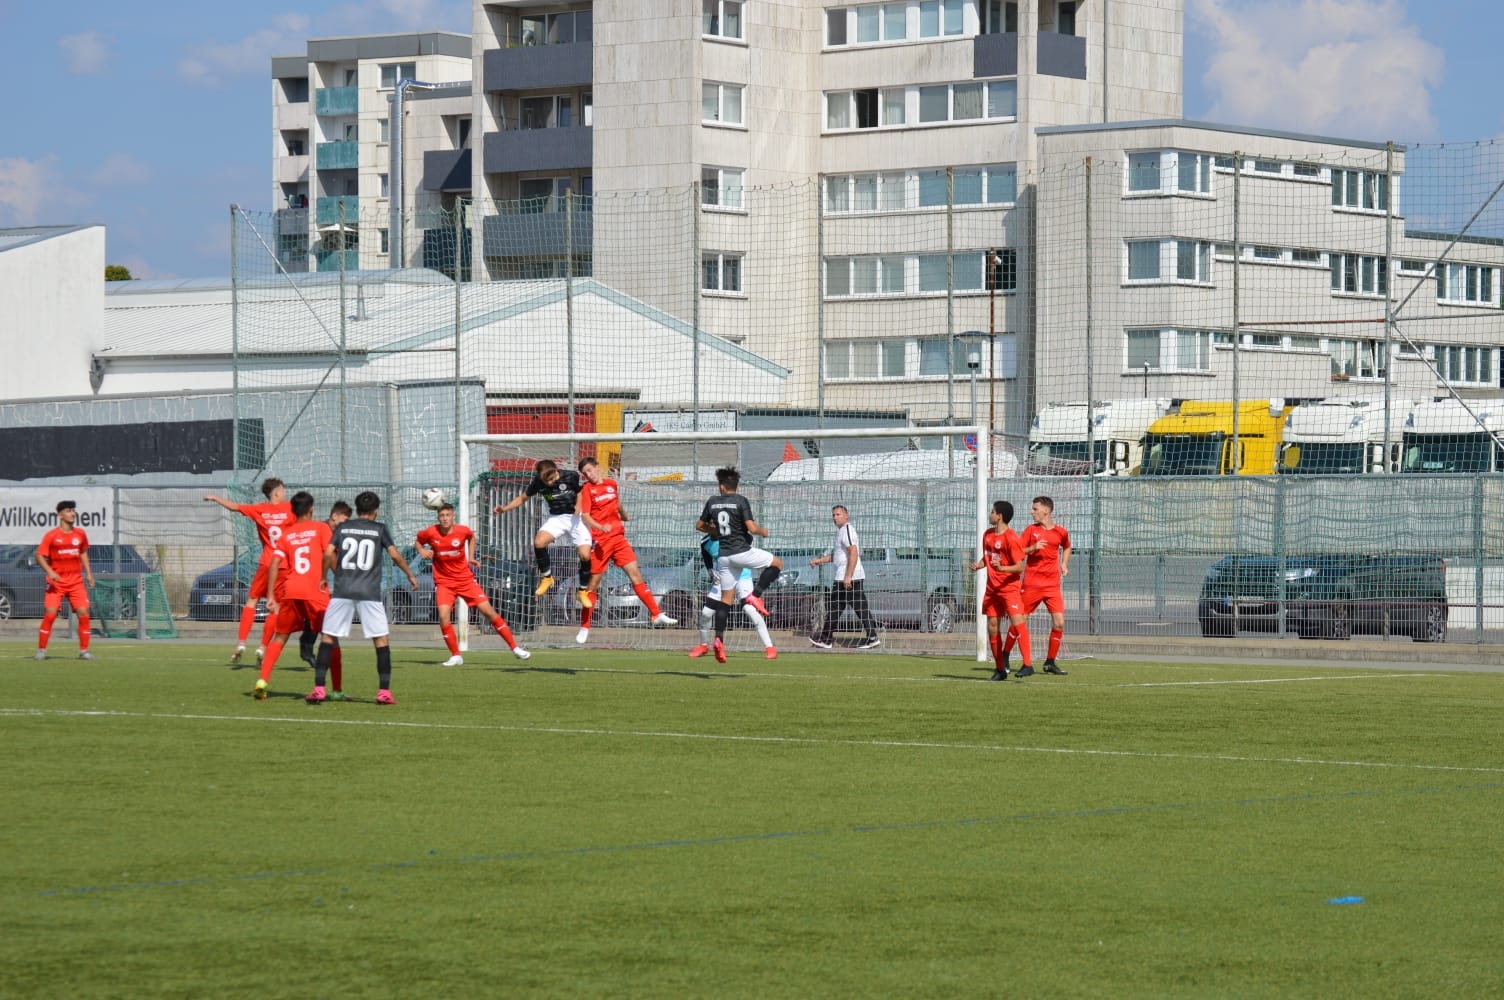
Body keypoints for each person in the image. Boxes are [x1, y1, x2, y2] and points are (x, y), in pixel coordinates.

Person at [310, 491, 418, 706]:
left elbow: (328, 553)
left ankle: (319, 689)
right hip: (369, 592)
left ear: (357, 509)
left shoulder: (342, 528)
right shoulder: (380, 529)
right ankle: (384, 692)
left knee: (328, 637)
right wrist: (410, 574)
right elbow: (395, 555)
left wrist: (323, 577)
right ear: (376, 510)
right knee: (381, 640)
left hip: (343, 589)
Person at [574, 456, 677, 644]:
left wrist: (623, 514)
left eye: (589, 470)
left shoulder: (612, 484)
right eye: (584, 473)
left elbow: (617, 503)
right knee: (593, 585)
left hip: (619, 539)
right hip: (600, 542)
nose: (588, 475)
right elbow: (585, 516)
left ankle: (656, 614)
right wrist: (600, 527)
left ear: (597, 467)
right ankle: (585, 626)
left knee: (636, 575)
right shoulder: (587, 490)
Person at [415, 502, 530, 666]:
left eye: (448, 515)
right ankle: (456, 656)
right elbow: (418, 541)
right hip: (444, 582)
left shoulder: (462, 531)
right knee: (443, 616)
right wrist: (421, 550)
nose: (445, 518)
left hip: (465, 580)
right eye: (442, 516)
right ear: (438, 517)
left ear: (453, 516)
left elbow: (471, 537)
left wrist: (470, 557)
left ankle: (515, 648)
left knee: (488, 612)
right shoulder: (430, 532)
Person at [694, 467, 782, 664]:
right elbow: (751, 528)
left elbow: (699, 526)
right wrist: (763, 531)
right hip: (741, 553)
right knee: (777, 563)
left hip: (725, 559)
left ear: (721, 486)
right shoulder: (741, 500)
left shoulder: (712, 502)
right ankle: (756, 595)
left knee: (725, 601)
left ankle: (718, 639)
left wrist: (715, 531)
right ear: (736, 485)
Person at [204, 478, 294, 664]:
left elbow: (234, 507)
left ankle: (241, 642)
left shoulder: (260, 509)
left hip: (267, 563)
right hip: (284, 565)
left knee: (252, 601)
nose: (285, 493)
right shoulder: (289, 509)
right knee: (276, 607)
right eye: (283, 490)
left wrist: (216, 498)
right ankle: (263, 647)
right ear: (277, 492)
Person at [253, 491, 332, 701]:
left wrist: (271, 595)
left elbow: (275, 563)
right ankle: (330, 687)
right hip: (315, 591)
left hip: (291, 590)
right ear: (311, 509)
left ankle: (262, 681)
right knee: (329, 636)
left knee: (280, 636)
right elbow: (329, 555)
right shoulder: (321, 528)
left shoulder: (287, 534)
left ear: (293, 511)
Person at [492, 458, 594, 606]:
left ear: (556, 470)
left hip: (575, 518)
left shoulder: (570, 475)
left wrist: (579, 505)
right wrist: (504, 508)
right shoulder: (538, 482)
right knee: (539, 542)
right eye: (547, 481)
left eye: (553, 479)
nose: (551, 483)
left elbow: (579, 492)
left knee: (585, 555)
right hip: (556, 518)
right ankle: (547, 578)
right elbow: (522, 498)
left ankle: (583, 591)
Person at [970, 500, 1030, 681]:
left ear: (999, 516)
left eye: (992, 512)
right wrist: (979, 565)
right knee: (992, 626)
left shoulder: (1011, 538)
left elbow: (1020, 567)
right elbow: (988, 557)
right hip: (992, 590)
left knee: (1017, 622)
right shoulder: (988, 535)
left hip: (1009, 589)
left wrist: (1002, 568)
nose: (990, 514)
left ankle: (1028, 664)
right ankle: (1000, 669)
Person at [688, 538, 776, 660]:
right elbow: (707, 556)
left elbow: (748, 540)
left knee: (750, 610)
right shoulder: (705, 542)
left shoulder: (730, 534)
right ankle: (703, 646)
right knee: (706, 613)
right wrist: (711, 570)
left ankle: (770, 647)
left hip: (743, 577)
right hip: (723, 578)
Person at [807, 505, 880, 650]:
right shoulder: (841, 532)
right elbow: (838, 556)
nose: (835, 517)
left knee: (845, 608)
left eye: (838, 514)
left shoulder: (847, 530)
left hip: (848, 578)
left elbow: (853, 552)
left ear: (846, 515)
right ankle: (828, 638)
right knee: (845, 608)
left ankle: (827, 639)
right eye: (833, 515)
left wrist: (848, 576)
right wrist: (819, 561)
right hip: (844, 576)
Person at [34, 500, 97, 661]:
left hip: (76, 582)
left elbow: (83, 553)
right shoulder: (52, 535)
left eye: (73, 510)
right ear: (60, 515)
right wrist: (50, 571)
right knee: (50, 614)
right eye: (69, 511)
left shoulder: (80, 534)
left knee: (84, 613)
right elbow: (39, 555)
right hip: (56, 583)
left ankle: (84, 651)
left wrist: (89, 574)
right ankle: (41, 650)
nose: (73, 513)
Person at [1017, 495, 1070, 677]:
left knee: (1059, 623)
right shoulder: (1030, 530)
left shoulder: (1060, 532)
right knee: (1019, 621)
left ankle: (1050, 662)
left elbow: (1067, 547)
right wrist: (1032, 548)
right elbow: (1017, 551)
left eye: (1035, 509)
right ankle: (1011, 658)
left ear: (1046, 511)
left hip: (1052, 586)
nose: (1031, 512)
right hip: (1031, 584)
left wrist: (1064, 564)